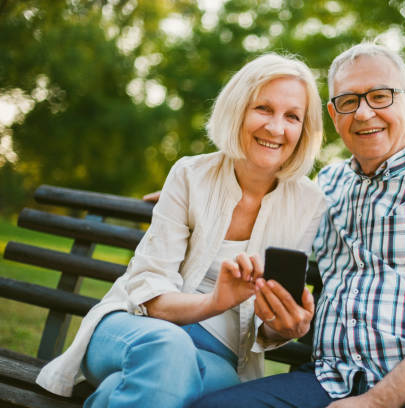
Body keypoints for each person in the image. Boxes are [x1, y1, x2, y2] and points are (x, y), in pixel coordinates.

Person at [193, 43, 405, 408]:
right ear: (333, 114)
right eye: (348, 101)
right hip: (331, 378)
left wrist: (375, 402)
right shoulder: (325, 187)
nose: (363, 113)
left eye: (380, 96)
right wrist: (199, 194)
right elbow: (259, 197)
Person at [35, 53, 327, 407]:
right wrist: (215, 302)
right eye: (263, 108)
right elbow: (150, 295)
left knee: (141, 389)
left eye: (292, 116)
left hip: (218, 357)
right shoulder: (191, 176)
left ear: (304, 130)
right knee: (168, 351)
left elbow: (266, 325)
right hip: (136, 328)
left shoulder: (309, 202)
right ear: (237, 110)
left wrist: (284, 327)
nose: (276, 128)